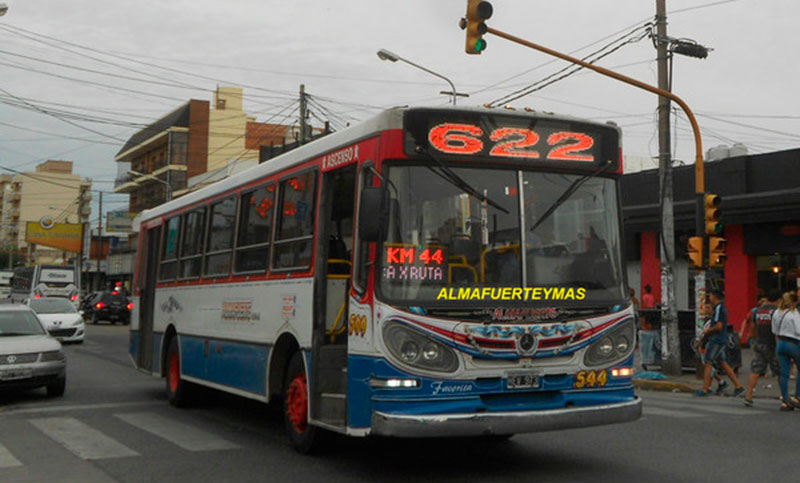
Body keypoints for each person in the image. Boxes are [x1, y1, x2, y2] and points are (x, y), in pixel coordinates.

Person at [695, 289, 745, 397]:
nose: (710, 298)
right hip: (721, 339)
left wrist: (708, 330)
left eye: (711, 296)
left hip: (716, 340)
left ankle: (705, 389)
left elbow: (719, 326)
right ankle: (738, 386)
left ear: (715, 296)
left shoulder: (718, 308)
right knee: (723, 363)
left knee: (708, 363)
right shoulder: (721, 308)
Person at [743, 291, 781, 406]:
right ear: (778, 300)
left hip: (759, 343)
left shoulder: (758, 311)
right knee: (780, 371)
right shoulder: (776, 312)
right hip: (772, 345)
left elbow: (753, 328)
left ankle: (748, 396)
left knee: (755, 371)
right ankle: (784, 396)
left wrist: (751, 339)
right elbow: (777, 332)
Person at [771, 291, 800, 411]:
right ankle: (798, 397)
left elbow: (773, 330)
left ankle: (785, 401)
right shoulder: (794, 313)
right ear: (794, 301)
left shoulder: (777, 312)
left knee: (784, 374)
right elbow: (799, 331)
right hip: (793, 343)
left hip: (780, 343)